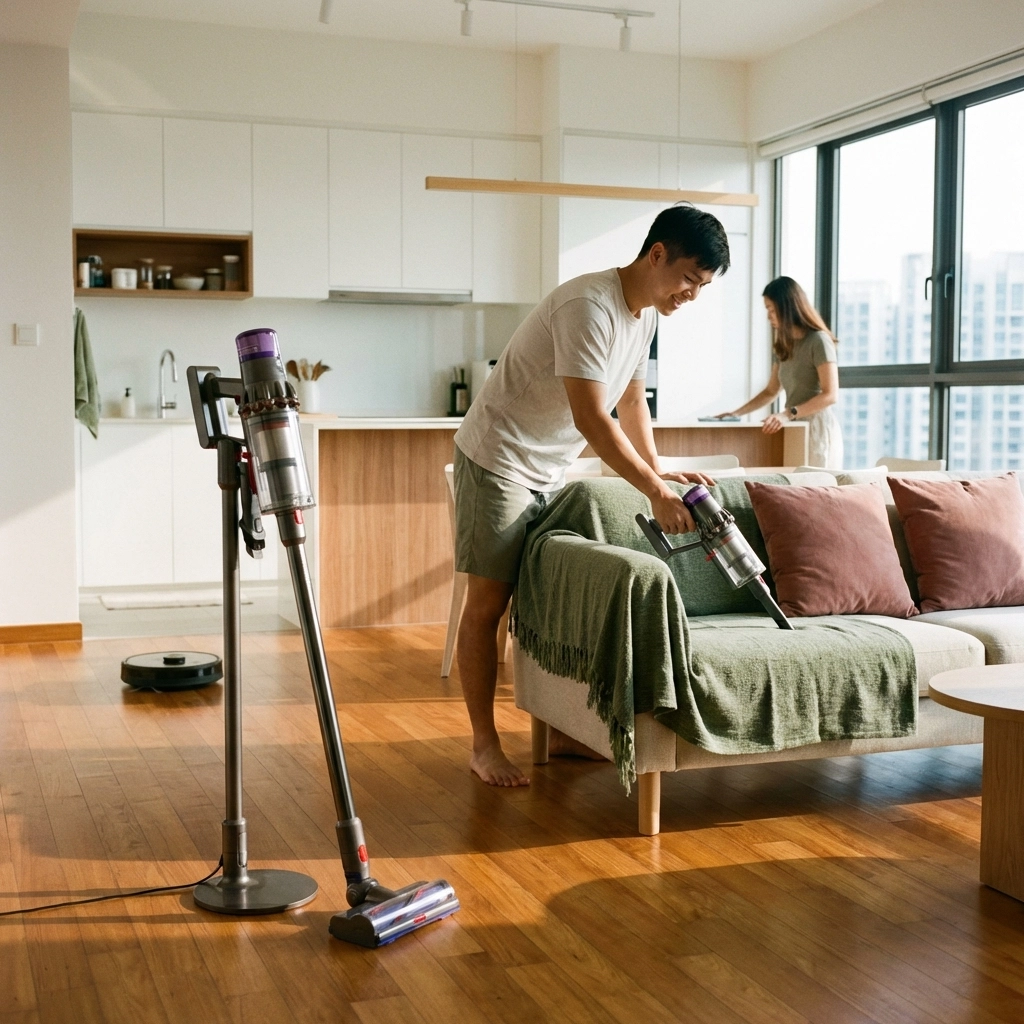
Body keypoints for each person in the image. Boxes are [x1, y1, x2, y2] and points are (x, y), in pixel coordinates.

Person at [452, 204, 731, 787]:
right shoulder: (589, 306)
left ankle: (559, 731)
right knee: (488, 607)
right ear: (657, 253)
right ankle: (483, 744)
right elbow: (592, 419)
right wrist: (654, 491)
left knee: (552, 590)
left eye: (702, 287)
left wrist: (663, 472)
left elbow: (633, 406)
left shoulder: (646, 315)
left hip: (548, 470)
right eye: (688, 279)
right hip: (500, 459)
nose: (691, 295)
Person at [716, 276, 843, 469]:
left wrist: (787, 414)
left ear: (788, 308)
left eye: (771, 309)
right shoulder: (783, 345)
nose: (768, 316)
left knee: (814, 489)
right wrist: (735, 413)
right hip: (793, 426)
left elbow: (830, 395)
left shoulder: (819, 341)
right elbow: (771, 391)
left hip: (816, 427)